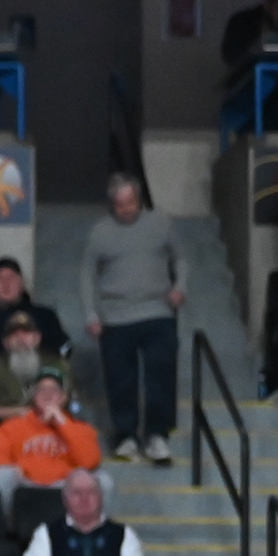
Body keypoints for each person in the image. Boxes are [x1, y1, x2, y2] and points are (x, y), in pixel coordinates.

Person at [79, 172, 188, 463]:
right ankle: (125, 435)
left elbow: (180, 258)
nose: (126, 209)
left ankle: (157, 436)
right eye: (119, 204)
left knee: (160, 375)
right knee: (121, 380)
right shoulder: (100, 232)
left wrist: (180, 287)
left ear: (139, 199)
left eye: (130, 202)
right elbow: (87, 275)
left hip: (157, 312)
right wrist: (92, 313)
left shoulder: (160, 223)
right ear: (112, 204)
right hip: (116, 317)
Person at [0, 370, 105, 513]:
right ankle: (2, 530)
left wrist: (62, 423)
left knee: (102, 480)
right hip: (25, 483)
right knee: (2, 475)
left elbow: (90, 461)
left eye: (54, 390)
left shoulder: (81, 428)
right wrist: (21, 470)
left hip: (65, 485)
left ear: (64, 397)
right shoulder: (13, 426)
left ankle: (90, 531)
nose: (47, 394)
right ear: (34, 396)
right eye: (41, 390)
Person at [23, 470, 148, 556]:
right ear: (65, 499)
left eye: (91, 492)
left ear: (101, 497)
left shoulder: (123, 533)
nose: (84, 498)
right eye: (77, 493)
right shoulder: (47, 532)